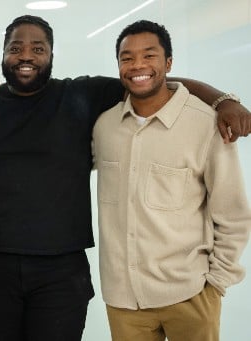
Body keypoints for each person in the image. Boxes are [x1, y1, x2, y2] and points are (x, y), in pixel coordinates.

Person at [0, 15, 251, 341]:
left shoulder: (83, 95)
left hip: (61, 270)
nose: (26, 55)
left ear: (51, 54)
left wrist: (222, 98)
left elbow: (155, 84)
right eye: (16, 47)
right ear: (3, 54)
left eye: (37, 47)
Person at [92, 20, 251, 341]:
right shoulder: (104, 127)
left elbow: (233, 214)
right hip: (123, 302)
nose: (137, 65)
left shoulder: (205, 125)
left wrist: (215, 283)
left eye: (149, 56)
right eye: (127, 57)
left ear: (168, 64)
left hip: (190, 295)